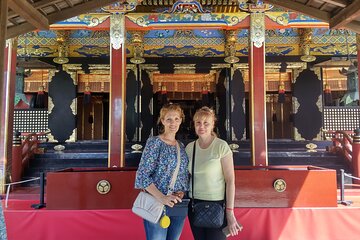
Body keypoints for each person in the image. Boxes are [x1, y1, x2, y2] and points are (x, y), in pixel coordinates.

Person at [135, 103, 189, 240]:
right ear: (163, 120)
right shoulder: (154, 143)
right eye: (169, 119)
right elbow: (142, 176)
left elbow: (182, 174)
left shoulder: (181, 146)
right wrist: (162, 197)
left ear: (181, 120)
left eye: (177, 119)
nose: (173, 123)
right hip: (157, 203)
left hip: (177, 205)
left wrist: (181, 191)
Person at [186, 106, 241, 240]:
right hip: (194, 204)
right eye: (198, 123)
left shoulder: (221, 146)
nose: (201, 126)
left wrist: (230, 212)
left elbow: (230, 181)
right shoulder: (189, 148)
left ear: (212, 125)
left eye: (206, 123)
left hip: (217, 205)